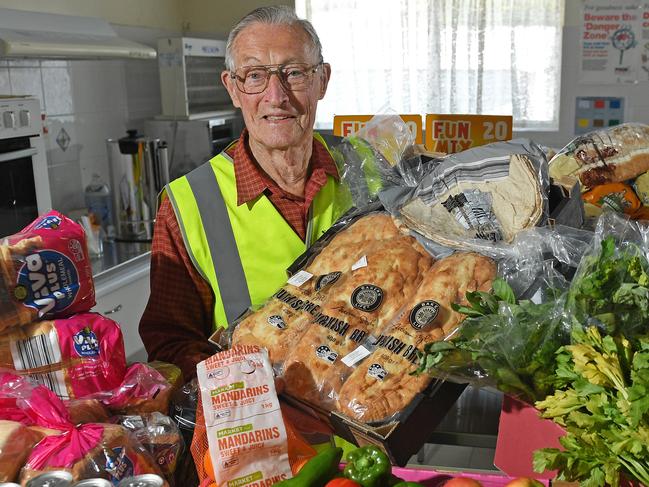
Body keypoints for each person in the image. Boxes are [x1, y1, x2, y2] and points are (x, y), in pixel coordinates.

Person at [139, 5, 351, 381]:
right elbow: (170, 342)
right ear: (233, 88)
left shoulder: (370, 172)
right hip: (262, 434)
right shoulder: (188, 204)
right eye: (255, 76)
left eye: (294, 73)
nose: (276, 95)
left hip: (373, 430)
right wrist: (247, 382)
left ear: (323, 80)